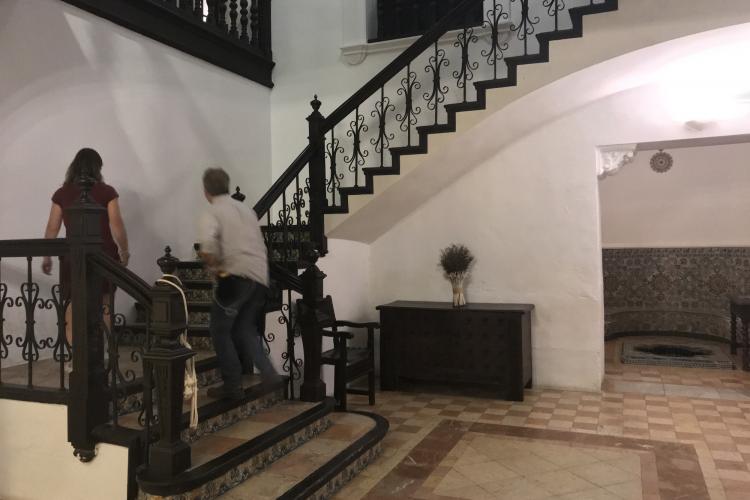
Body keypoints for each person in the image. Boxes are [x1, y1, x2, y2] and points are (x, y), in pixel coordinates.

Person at [198, 167, 280, 400]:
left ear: (206, 191)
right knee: (244, 330)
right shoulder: (246, 210)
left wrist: (214, 269)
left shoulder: (213, 212)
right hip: (260, 277)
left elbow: (207, 249)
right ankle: (269, 374)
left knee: (219, 330)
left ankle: (232, 386)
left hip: (236, 278)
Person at [42, 148, 130, 349]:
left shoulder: (62, 193)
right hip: (104, 256)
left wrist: (47, 256)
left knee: (72, 305)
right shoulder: (107, 192)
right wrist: (124, 251)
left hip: (72, 257)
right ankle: (102, 352)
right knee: (105, 304)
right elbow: (116, 224)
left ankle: (74, 356)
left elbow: (52, 227)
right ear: (97, 168)